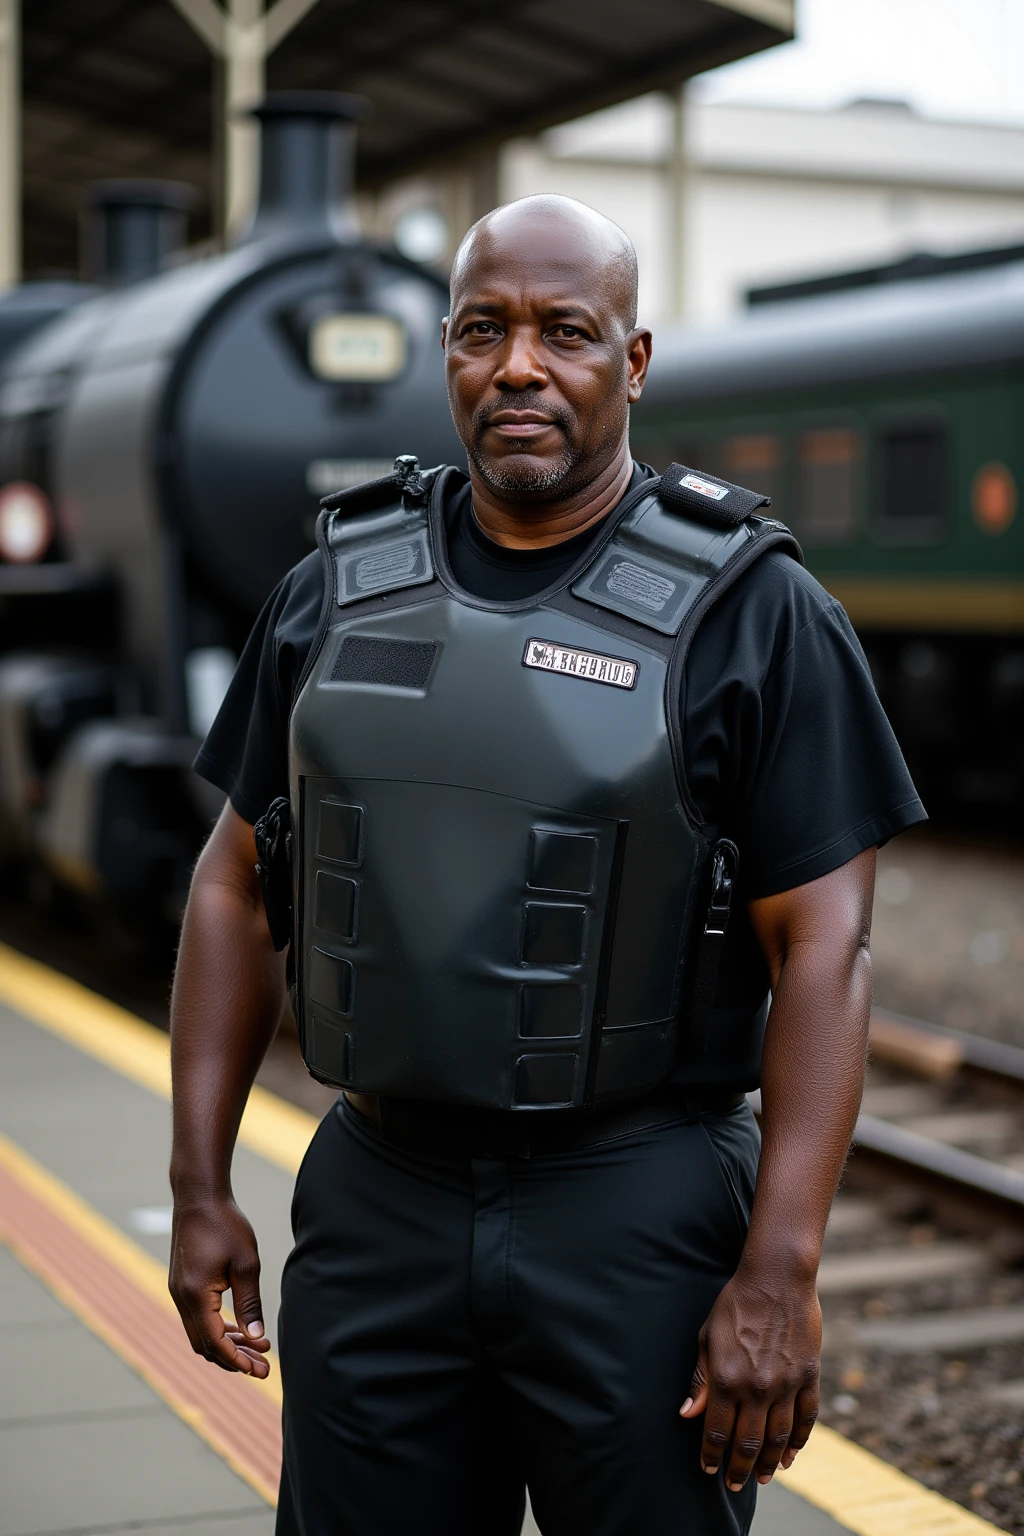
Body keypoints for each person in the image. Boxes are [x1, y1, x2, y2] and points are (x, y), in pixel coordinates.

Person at [168, 195, 925, 1536]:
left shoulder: (756, 608)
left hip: (636, 1207)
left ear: (630, 362)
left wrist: (780, 1269)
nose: (518, 365)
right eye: (482, 330)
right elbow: (233, 883)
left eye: (565, 332)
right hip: (380, 1199)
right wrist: (198, 1186)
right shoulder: (335, 586)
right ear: (447, 354)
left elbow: (827, 948)